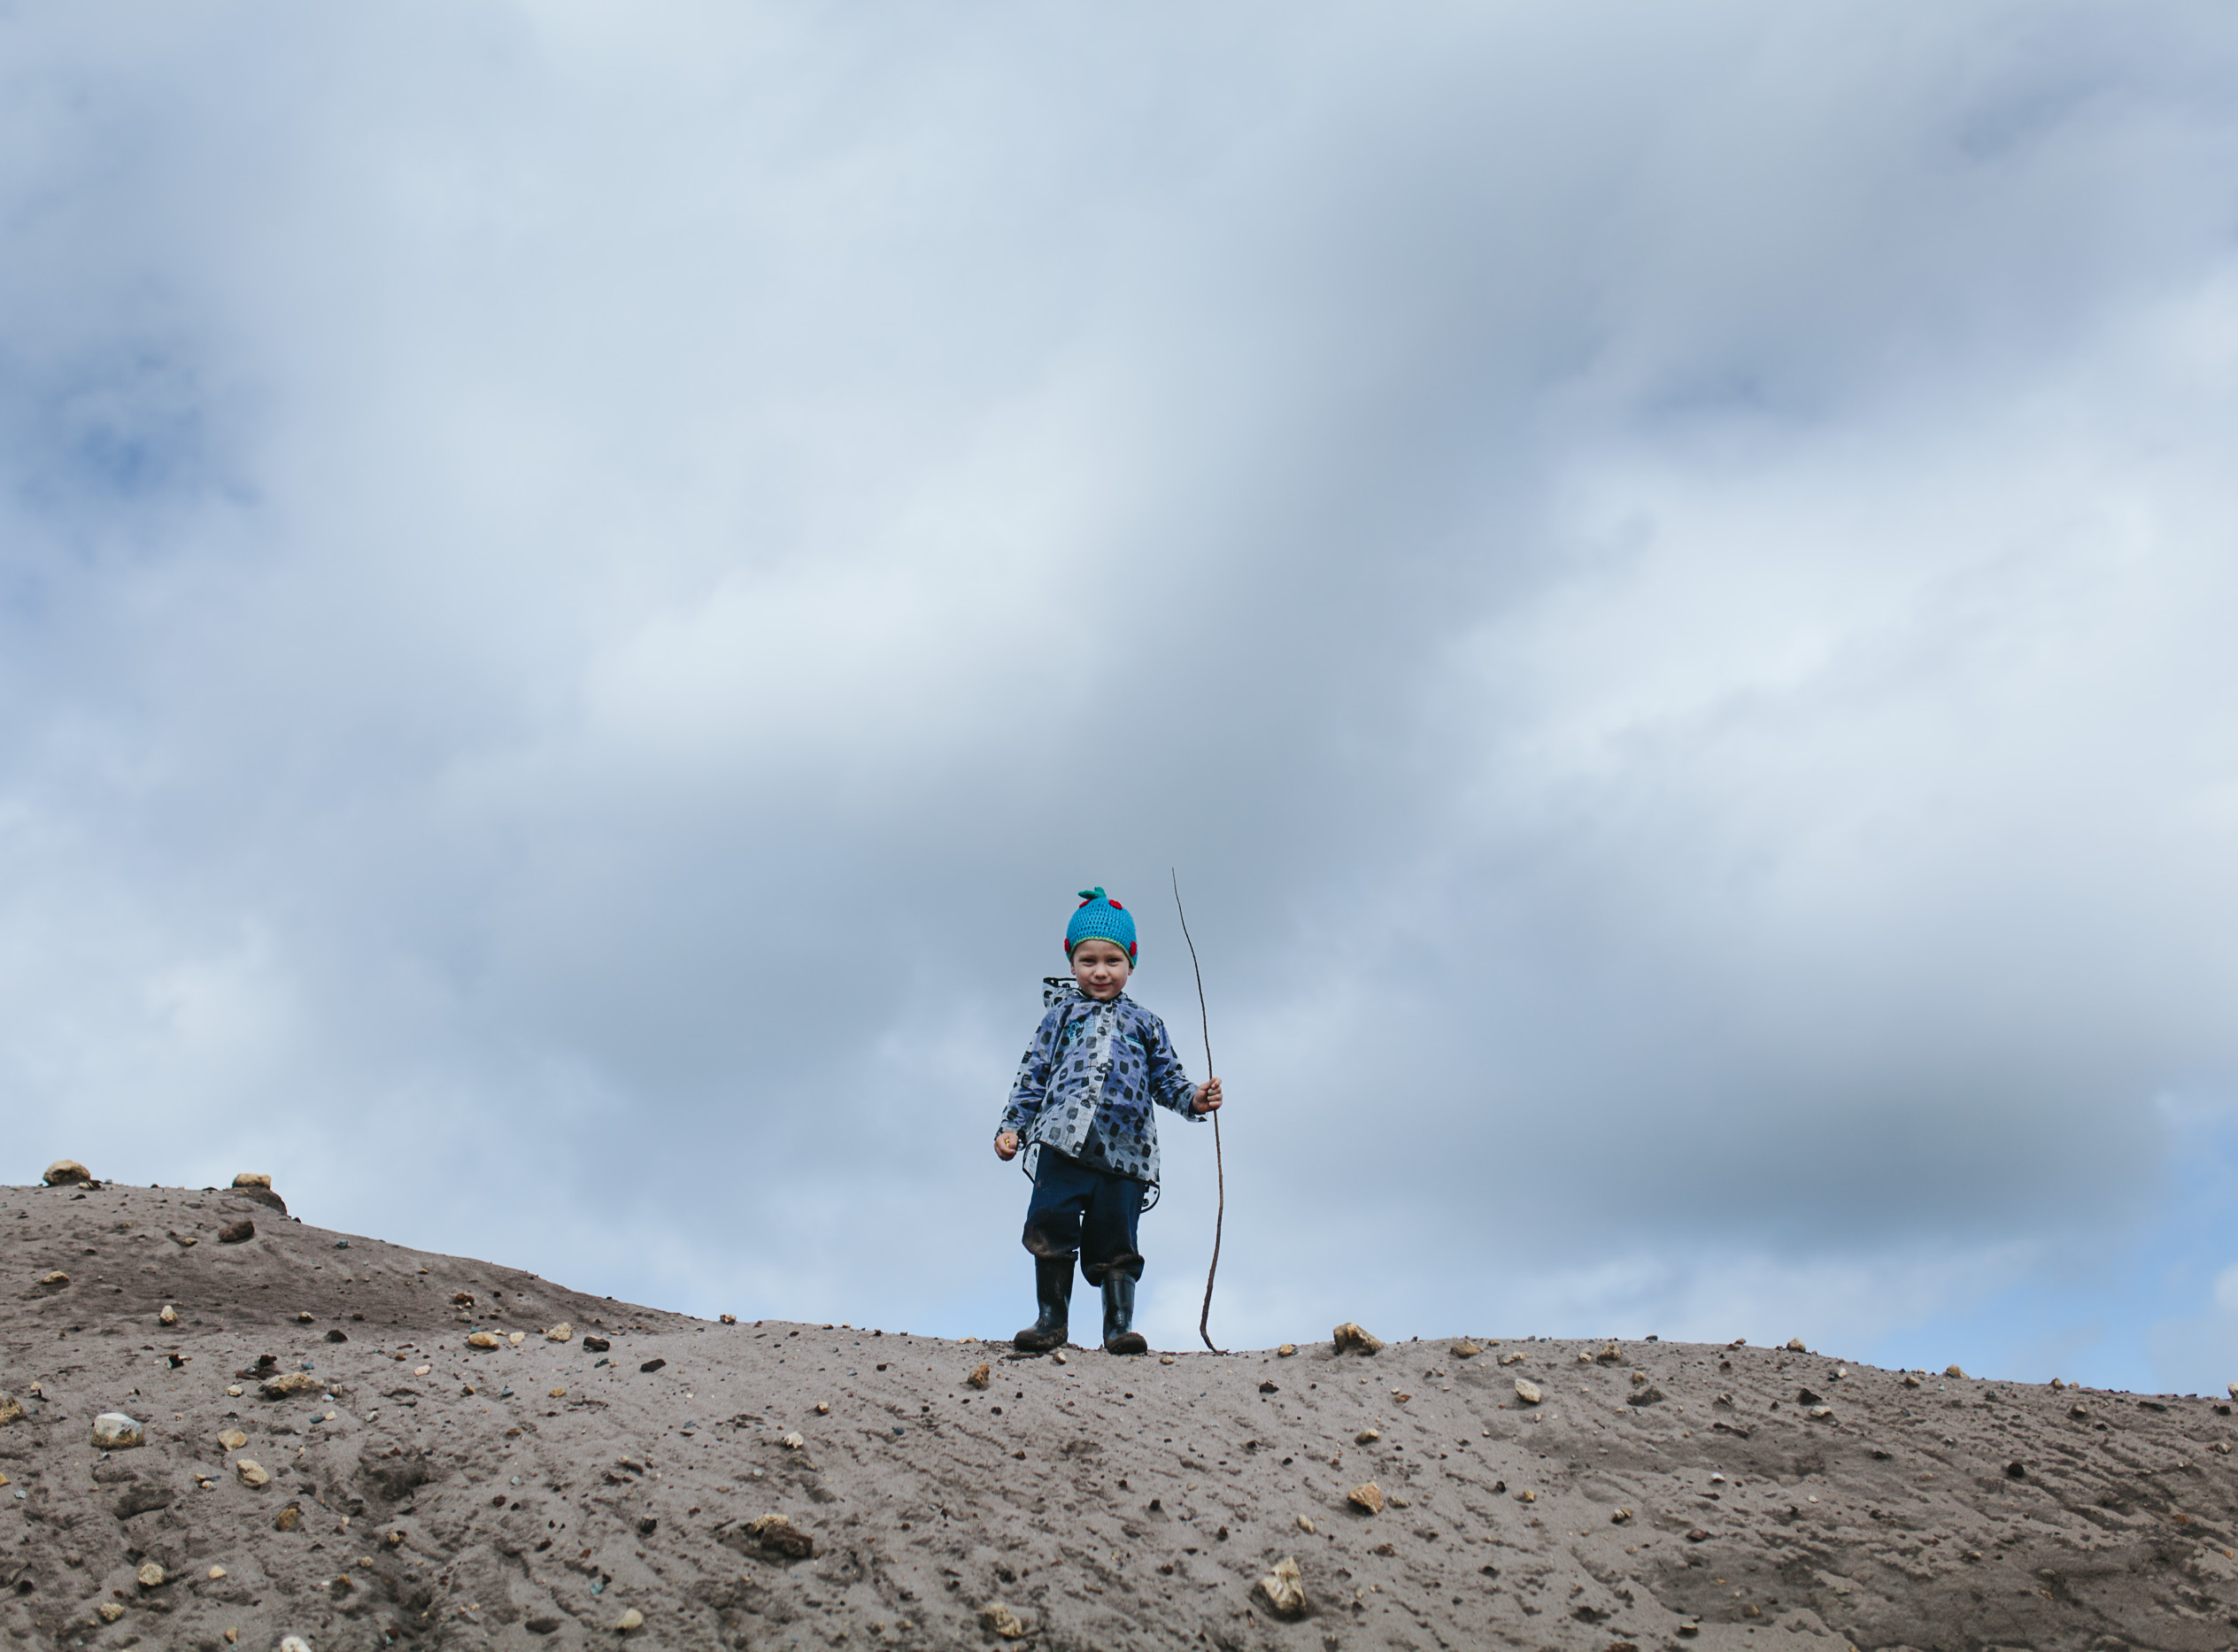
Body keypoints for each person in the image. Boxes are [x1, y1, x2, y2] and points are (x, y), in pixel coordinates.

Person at [996, 886, 1222, 1355]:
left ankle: (1118, 1329)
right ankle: (1050, 1321)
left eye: (1112, 961)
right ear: (1071, 961)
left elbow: (1168, 1081)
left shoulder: (1147, 1024)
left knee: (1117, 1240)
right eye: (1088, 960)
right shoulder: (1060, 1017)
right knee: (1051, 1225)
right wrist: (1012, 1127)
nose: (1100, 972)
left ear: (1131, 963)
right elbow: (1032, 1075)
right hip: (1063, 1143)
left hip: (1127, 1152)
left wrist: (1194, 1100)